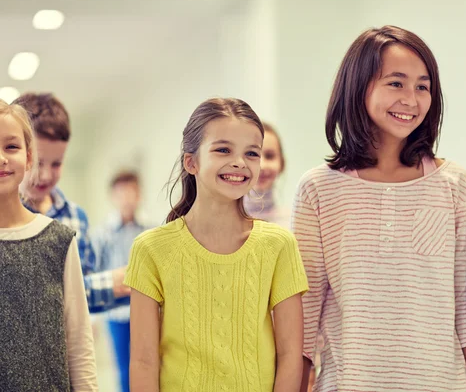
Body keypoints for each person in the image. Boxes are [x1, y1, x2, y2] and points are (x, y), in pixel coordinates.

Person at [292, 25, 466, 391]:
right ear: (358, 86)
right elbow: (304, 311)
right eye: (396, 83)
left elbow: (465, 306)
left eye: (423, 86)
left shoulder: (454, 184)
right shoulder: (318, 189)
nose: (411, 99)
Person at [126, 97, 308, 392]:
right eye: (223, 149)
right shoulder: (150, 249)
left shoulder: (279, 245)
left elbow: (289, 356)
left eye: (252, 153)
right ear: (191, 161)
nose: (239, 162)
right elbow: (143, 361)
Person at [0, 100, 98, 391]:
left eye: (11, 147)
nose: (2, 158)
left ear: (30, 157)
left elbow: (79, 343)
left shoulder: (59, 240)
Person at [15, 92, 131, 313]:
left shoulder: (77, 218)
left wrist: (124, 286)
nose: (46, 175)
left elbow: (81, 300)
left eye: (57, 163)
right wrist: (113, 283)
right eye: (38, 162)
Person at [93, 170, 149, 392]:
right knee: (124, 368)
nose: (126, 198)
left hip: (145, 312)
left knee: (147, 364)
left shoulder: (149, 230)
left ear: (139, 195)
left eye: (131, 192)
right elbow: (94, 275)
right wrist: (93, 319)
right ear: (112, 197)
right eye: (121, 193)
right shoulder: (103, 234)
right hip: (115, 314)